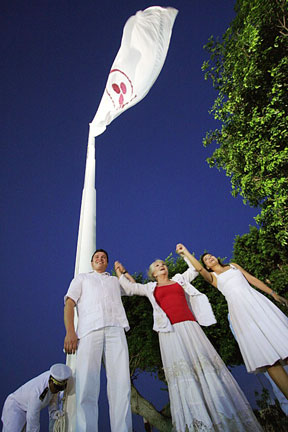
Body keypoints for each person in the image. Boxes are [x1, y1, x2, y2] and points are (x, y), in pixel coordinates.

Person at [115, 248, 262, 432]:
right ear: (153, 273)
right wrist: (121, 273)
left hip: (191, 327)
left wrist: (184, 254)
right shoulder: (150, 288)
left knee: (205, 366)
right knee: (183, 373)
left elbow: (194, 269)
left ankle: (223, 417)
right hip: (169, 333)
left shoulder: (179, 280)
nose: (162, 266)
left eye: (164, 264)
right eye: (158, 266)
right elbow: (130, 288)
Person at [177, 243, 288, 399]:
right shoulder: (213, 278)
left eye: (210, 256)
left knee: (283, 340)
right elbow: (199, 269)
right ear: (207, 267)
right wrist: (185, 253)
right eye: (206, 260)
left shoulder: (233, 266)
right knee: (268, 358)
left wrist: (273, 293)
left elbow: (251, 279)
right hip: (241, 313)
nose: (209, 258)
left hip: (258, 303)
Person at [64, 249, 132, 432]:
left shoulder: (114, 281)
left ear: (107, 262)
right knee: (87, 382)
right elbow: (69, 303)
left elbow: (132, 287)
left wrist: (122, 272)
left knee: (121, 382)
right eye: (96, 257)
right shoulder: (82, 279)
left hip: (115, 328)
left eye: (103, 258)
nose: (100, 259)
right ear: (92, 262)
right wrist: (70, 331)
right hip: (89, 329)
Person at [1, 363, 71, 432]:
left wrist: (53, 411)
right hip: (15, 407)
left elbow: (53, 395)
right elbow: (32, 419)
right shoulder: (37, 393)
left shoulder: (55, 377)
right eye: (56, 388)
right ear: (51, 381)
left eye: (60, 389)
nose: (57, 391)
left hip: (27, 408)